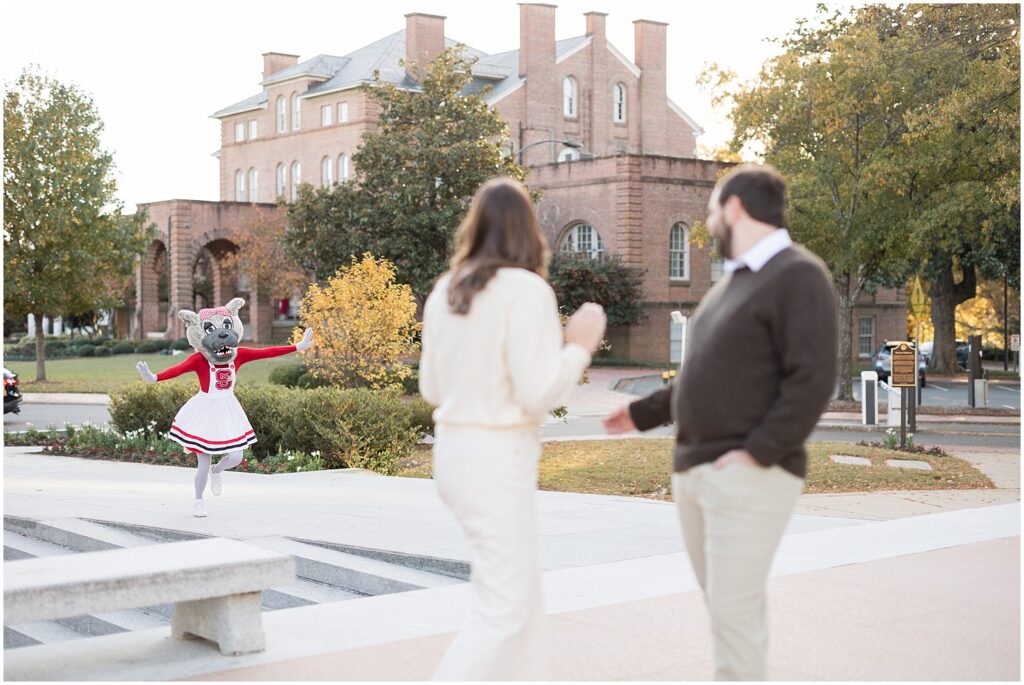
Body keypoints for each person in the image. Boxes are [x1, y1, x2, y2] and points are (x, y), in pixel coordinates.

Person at [604, 164, 838, 681]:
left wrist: (757, 453)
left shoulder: (798, 275)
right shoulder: (732, 286)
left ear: (734, 209)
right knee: (728, 615)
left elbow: (814, 378)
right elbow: (703, 375)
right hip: (695, 471)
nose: (708, 223)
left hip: (747, 474)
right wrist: (641, 413)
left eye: (712, 211)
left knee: (733, 620)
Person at [419, 177, 606, 680]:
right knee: (505, 610)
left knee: (519, 603)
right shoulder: (526, 291)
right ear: (529, 230)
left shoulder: (445, 292)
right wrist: (580, 346)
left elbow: (432, 388)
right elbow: (538, 392)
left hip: (454, 457)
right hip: (496, 463)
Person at [136, 298, 314, 517]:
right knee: (203, 460)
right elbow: (177, 370)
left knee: (236, 457)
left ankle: (217, 471)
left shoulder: (238, 356)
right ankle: (199, 500)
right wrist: (153, 377)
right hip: (205, 410)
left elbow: (267, 352)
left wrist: (297, 346)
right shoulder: (199, 360)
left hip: (228, 408)